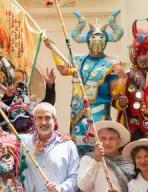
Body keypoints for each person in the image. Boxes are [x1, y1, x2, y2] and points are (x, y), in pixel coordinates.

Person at [46, 9, 124, 140]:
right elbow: (64, 70)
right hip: (78, 112)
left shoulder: (112, 64)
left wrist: (123, 78)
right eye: (93, 37)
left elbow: (115, 93)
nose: (97, 40)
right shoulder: (78, 60)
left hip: (99, 112)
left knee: (97, 145)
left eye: (101, 37)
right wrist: (53, 50)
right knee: (78, 145)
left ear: (106, 41)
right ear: (88, 40)